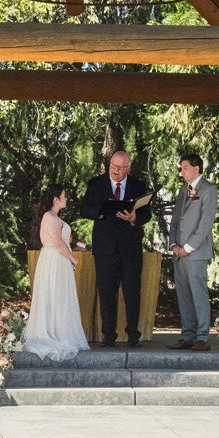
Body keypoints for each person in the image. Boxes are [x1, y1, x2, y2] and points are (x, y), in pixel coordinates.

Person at [79, 148, 152, 347]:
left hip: (130, 249)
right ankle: (108, 336)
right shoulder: (96, 183)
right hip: (105, 249)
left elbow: (147, 214)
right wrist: (102, 211)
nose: (116, 170)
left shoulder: (138, 186)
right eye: (113, 166)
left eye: (120, 167)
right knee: (106, 292)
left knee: (132, 293)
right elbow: (84, 209)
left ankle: (133, 336)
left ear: (128, 168)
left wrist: (134, 218)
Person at [21, 186, 87, 361]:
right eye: (64, 196)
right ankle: (52, 333)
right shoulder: (49, 217)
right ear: (55, 199)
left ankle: (60, 331)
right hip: (53, 260)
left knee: (60, 297)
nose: (66, 198)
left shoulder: (55, 218)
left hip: (59, 261)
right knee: (53, 295)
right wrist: (73, 259)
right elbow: (58, 243)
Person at [170, 151, 218, 350]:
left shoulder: (208, 189)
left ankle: (202, 337)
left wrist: (187, 248)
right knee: (184, 295)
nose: (182, 171)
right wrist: (173, 245)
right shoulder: (184, 191)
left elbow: (205, 224)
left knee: (198, 294)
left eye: (185, 168)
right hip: (179, 254)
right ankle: (188, 335)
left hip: (195, 254)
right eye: (181, 168)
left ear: (196, 168)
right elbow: (174, 221)